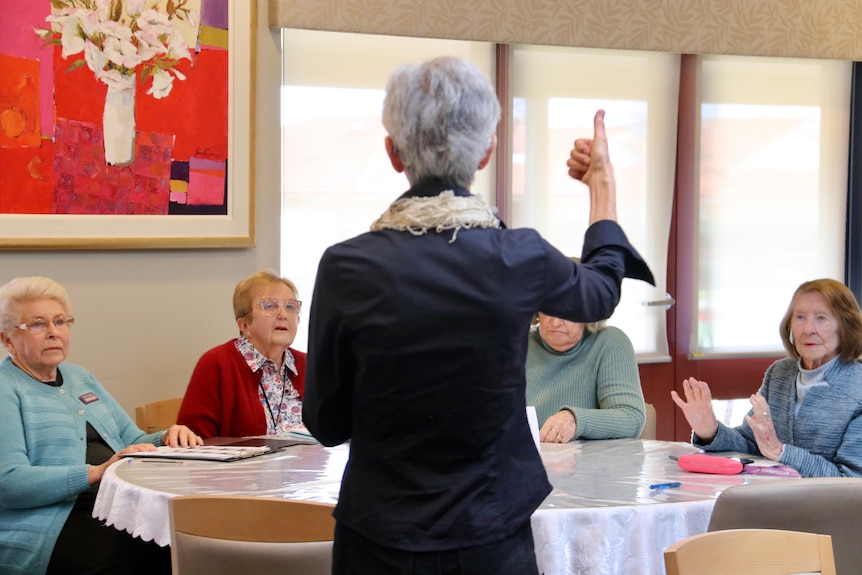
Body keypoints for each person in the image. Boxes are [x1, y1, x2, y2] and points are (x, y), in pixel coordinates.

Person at [302, 56, 654, 575]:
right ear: (488, 151)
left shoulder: (345, 266)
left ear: (393, 152)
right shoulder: (518, 257)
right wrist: (601, 183)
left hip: (378, 537)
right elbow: (601, 293)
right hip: (492, 538)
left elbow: (325, 423)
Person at [0, 276, 203, 575]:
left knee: (190, 545)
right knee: (147, 559)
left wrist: (168, 437)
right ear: (7, 340)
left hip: (112, 508)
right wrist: (94, 473)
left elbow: (131, 440)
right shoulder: (6, 388)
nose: (54, 333)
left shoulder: (81, 377)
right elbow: (10, 483)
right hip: (51, 523)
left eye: (60, 321)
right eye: (38, 324)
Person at [671, 278, 862, 478]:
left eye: (821, 318)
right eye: (800, 317)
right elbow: (751, 444)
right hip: (771, 501)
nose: (807, 329)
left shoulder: (857, 389)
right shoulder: (780, 374)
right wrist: (710, 430)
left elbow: (852, 482)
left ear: (845, 326)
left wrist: (780, 451)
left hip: (826, 508)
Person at [177, 269, 307, 438]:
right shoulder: (217, 363)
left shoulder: (308, 365)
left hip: (309, 464)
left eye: (290, 306)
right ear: (244, 324)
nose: (283, 315)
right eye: (270, 306)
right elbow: (192, 440)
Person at [525, 312, 646, 442]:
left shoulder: (610, 342)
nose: (555, 323)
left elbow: (631, 418)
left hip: (589, 459)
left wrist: (574, 420)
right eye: (548, 311)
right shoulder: (518, 345)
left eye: (566, 312)